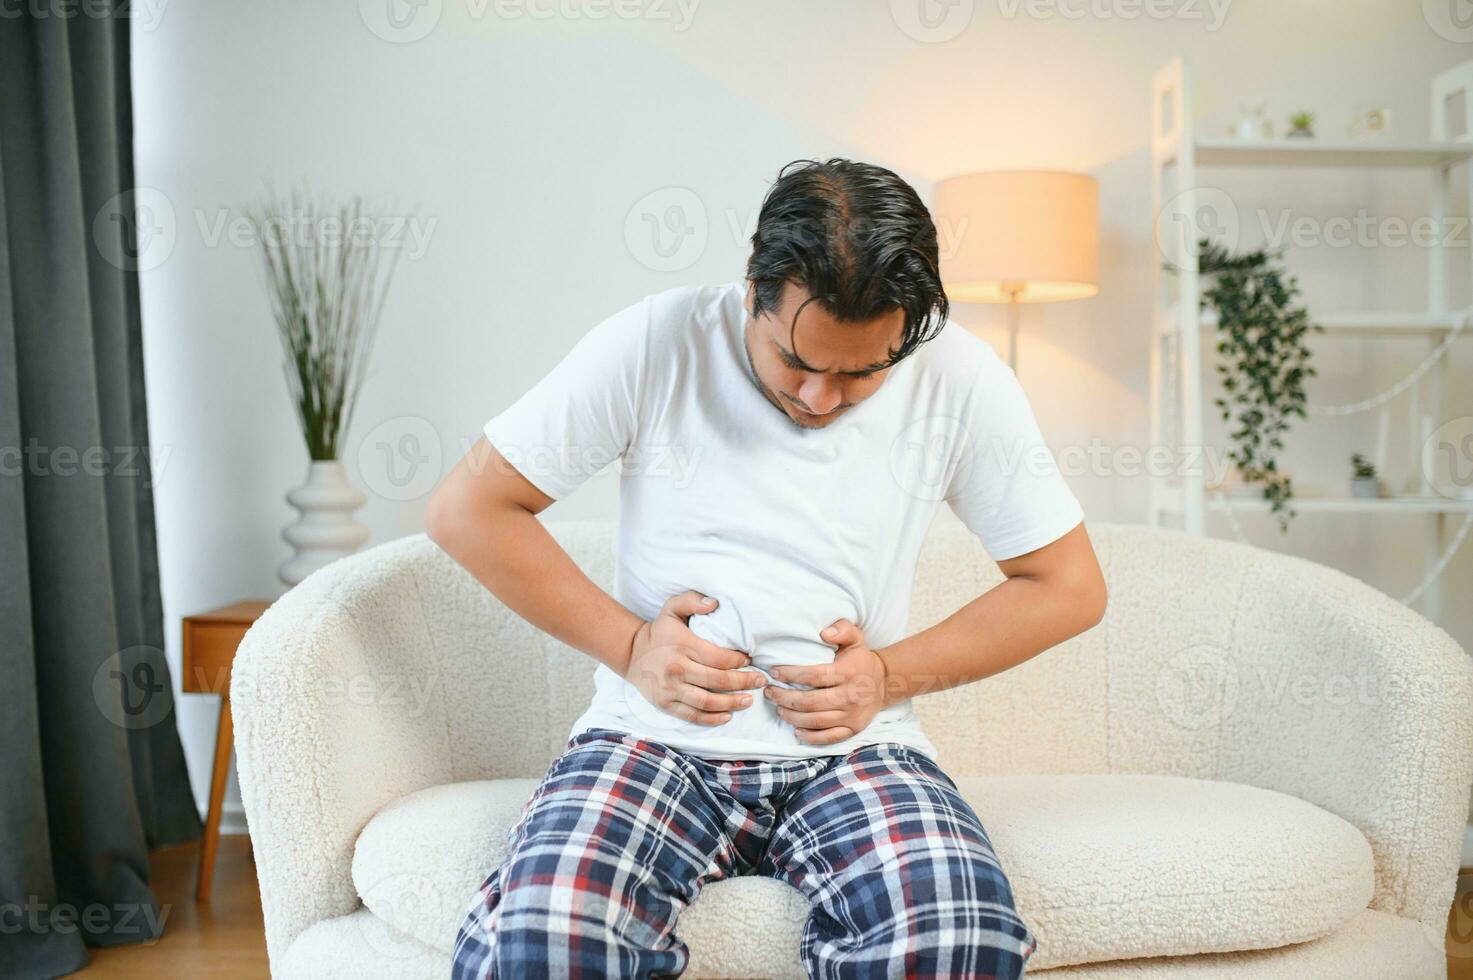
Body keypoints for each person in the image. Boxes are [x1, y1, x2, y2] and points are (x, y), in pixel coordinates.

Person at [428, 158, 1107, 979]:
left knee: (958, 939)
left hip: (857, 751)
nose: (820, 398)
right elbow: (468, 508)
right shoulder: (656, 339)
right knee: (546, 939)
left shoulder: (961, 379)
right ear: (752, 287)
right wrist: (632, 646)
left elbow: (1067, 587)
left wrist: (887, 674)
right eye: (796, 360)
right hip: (651, 742)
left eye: (860, 372)